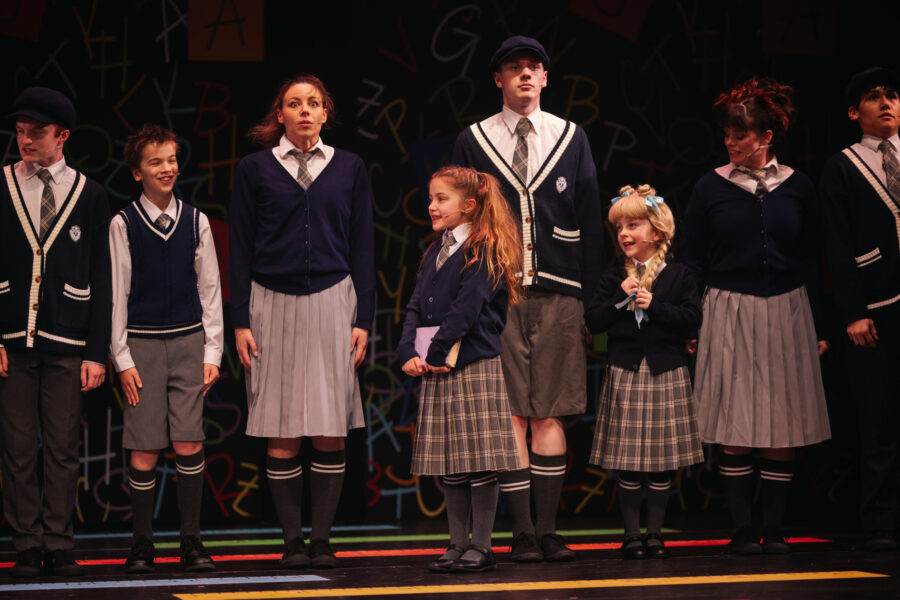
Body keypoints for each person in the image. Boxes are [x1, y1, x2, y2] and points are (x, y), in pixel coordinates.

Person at [451, 35, 606, 562]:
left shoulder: (570, 136)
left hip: (560, 292)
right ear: (498, 79)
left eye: (533, 67)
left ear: (544, 77)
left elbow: (588, 218)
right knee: (512, 415)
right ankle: (521, 533)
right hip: (499, 295)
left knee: (551, 414)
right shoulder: (475, 139)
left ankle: (548, 530)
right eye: (514, 67)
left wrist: (591, 299)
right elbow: (461, 218)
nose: (524, 74)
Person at [229, 74, 375, 569]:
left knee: (330, 425)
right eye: (295, 103)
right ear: (281, 115)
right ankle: (292, 540)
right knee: (282, 425)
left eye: (314, 103)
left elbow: (363, 245)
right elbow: (240, 246)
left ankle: (322, 540)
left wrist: (364, 318)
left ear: (325, 113)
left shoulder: (349, 167)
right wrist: (240, 320)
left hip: (334, 300)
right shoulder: (254, 169)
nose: (305, 110)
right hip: (271, 302)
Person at [682, 77, 831, 555]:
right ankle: (743, 527)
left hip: (789, 307)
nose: (731, 142)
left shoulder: (798, 186)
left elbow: (814, 259)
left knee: (782, 419)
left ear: (766, 137)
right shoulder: (710, 186)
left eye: (740, 134)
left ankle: (774, 526)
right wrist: (690, 320)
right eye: (727, 134)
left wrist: (821, 324)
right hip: (730, 307)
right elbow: (691, 258)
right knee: (736, 418)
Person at [0, 87, 111, 577]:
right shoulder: (4, 184)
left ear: (62, 135)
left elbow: (103, 276)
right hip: (13, 342)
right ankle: (27, 542)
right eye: (21, 131)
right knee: (18, 447)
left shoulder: (90, 194)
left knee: (63, 448)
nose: (26, 140)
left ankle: (59, 541)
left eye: (38, 132)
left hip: (68, 341)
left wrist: (96, 352)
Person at [397, 166, 523, 572]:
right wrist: (407, 349)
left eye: (441, 199)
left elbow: (467, 308)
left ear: (468, 205)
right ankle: (456, 542)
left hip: (471, 363)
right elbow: (416, 303)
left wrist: (436, 350)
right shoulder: (436, 249)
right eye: (430, 199)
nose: (431, 206)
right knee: (452, 460)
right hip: (438, 364)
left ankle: (481, 545)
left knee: (479, 460)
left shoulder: (484, 248)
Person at [109, 124, 223, 573]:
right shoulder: (123, 224)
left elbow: (210, 290)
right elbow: (117, 296)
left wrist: (212, 353)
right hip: (142, 345)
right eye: (155, 162)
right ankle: (142, 544)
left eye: (171, 159)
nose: (166, 168)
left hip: (189, 340)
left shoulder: (196, 221)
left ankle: (191, 541)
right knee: (144, 445)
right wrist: (121, 359)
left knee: (189, 440)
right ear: (137, 172)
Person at [584, 185, 703, 560]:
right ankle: (632, 535)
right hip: (626, 371)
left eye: (632, 225)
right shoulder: (613, 276)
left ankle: (655, 534)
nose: (623, 233)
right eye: (619, 227)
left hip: (666, 371)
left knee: (661, 460)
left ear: (657, 231)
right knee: (630, 461)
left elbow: (692, 318)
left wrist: (656, 307)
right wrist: (620, 299)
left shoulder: (679, 275)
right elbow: (594, 321)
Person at [819, 66, 900, 552]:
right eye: (874, 97)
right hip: (876, 308)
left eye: (892, 95)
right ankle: (882, 521)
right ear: (854, 112)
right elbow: (836, 242)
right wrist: (852, 311)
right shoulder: (843, 165)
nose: (886, 103)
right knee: (879, 418)